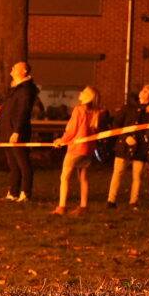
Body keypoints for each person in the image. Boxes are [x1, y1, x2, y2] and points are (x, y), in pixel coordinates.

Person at [53, 86, 101, 214]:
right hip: (88, 148)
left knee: (65, 177)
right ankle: (83, 206)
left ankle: (62, 206)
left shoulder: (79, 110)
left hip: (76, 148)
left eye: (84, 92)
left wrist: (61, 140)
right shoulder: (95, 112)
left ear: (88, 97)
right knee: (83, 177)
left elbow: (72, 130)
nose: (81, 93)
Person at [0, 61, 39, 202]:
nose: (11, 71)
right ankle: (13, 192)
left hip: (16, 132)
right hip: (8, 130)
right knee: (13, 164)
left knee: (23, 163)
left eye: (14, 68)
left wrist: (17, 131)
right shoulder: (16, 89)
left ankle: (25, 192)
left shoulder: (26, 90)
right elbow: (12, 108)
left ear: (24, 71)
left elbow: (23, 111)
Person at [104, 90, 145, 208]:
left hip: (140, 146)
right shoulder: (127, 109)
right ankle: (111, 200)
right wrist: (125, 137)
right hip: (124, 145)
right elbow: (116, 124)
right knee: (118, 172)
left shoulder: (147, 111)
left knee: (137, 175)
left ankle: (134, 201)